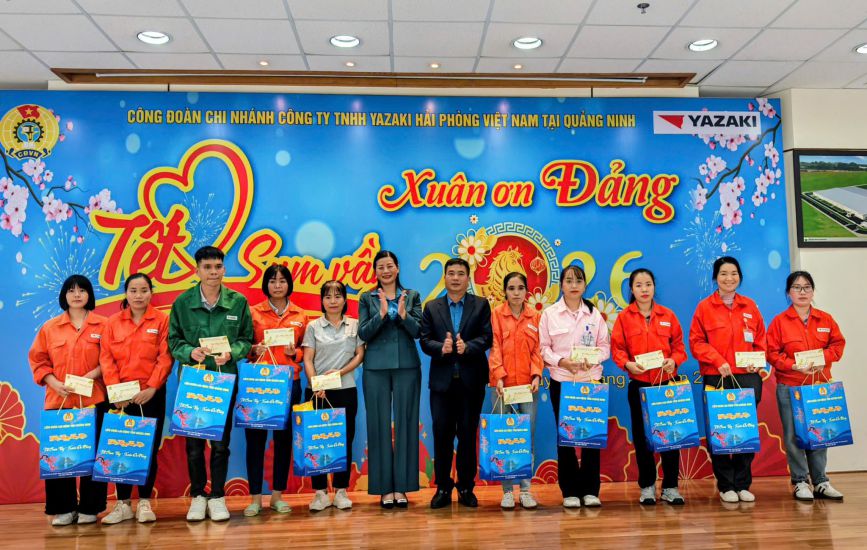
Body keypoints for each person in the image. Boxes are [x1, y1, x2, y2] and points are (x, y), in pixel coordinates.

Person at [168, 246, 253, 522]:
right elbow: (173, 341)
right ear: (197, 271)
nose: (213, 272)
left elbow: (246, 339)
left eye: (218, 266)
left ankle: (217, 496)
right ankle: (197, 496)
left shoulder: (238, 302)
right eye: (207, 267)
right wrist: (189, 352)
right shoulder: (182, 303)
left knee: (220, 445)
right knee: (194, 446)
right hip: (193, 384)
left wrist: (233, 353)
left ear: (224, 269)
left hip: (223, 383)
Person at [28, 274, 108, 526]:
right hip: (59, 401)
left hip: (93, 399)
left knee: (92, 456)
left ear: (89, 295)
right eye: (71, 290)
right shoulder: (50, 327)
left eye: (82, 290)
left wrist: (90, 376)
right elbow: (38, 360)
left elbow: (110, 358)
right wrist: (53, 382)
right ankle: (63, 508)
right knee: (60, 456)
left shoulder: (103, 325)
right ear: (64, 295)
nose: (76, 295)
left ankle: (90, 508)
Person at [689, 256, 766, 504]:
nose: (729, 278)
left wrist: (757, 360)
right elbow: (696, 342)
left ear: (740, 277)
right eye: (723, 273)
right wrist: (716, 360)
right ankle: (725, 485)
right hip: (717, 376)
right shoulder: (704, 307)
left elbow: (760, 341)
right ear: (715, 277)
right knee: (719, 431)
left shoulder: (750, 306)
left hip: (747, 377)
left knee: (744, 430)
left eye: (734, 273)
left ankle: (742, 484)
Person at [99, 273, 172, 525]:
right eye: (133, 290)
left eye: (143, 290)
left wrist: (152, 387)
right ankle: (122, 504)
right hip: (121, 397)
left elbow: (165, 357)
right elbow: (106, 358)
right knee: (121, 448)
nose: (138, 295)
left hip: (151, 394)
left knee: (147, 448)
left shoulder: (162, 320)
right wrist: (116, 392)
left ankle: (144, 502)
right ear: (126, 293)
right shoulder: (112, 322)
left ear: (151, 292)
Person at [611, 268, 688, 506]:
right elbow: (617, 349)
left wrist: (674, 361)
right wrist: (627, 364)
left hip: (666, 386)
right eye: (638, 285)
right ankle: (647, 486)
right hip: (640, 386)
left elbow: (679, 347)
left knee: (671, 437)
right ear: (631, 289)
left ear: (654, 287)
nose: (644, 289)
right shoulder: (624, 317)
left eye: (648, 284)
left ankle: (671, 487)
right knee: (643, 439)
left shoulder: (668, 315)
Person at [420, 257, 493, 509]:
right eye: (451, 273)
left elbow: (487, 337)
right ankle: (442, 487)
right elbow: (425, 340)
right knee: (442, 435)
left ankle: (465, 487)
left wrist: (468, 347)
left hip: (471, 382)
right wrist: (442, 347)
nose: (455, 278)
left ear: (468, 278)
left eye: (461, 273)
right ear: (445, 277)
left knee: (467, 435)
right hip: (441, 384)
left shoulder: (481, 304)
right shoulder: (432, 307)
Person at [767, 271, 846, 501]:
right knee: (793, 436)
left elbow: (838, 345)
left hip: (819, 386)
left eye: (807, 287)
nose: (802, 292)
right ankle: (800, 481)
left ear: (813, 291)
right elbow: (772, 353)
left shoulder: (826, 319)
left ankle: (820, 481)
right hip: (790, 386)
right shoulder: (780, 322)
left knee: (820, 434)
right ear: (788, 292)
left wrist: (823, 358)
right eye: (796, 287)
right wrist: (793, 366)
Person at [540, 264, 610, 509]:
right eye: (569, 281)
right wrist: (562, 361)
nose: (573, 285)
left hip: (590, 381)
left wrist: (594, 358)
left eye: (578, 281)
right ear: (561, 285)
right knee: (566, 438)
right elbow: (543, 348)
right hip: (562, 381)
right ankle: (569, 490)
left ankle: (590, 490)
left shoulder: (594, 314)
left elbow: (605, 347)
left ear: (585, 286)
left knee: (592, 437)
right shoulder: (550, 314)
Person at [358, 250, 422, 508]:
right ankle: (384, 488)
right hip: (375, 367)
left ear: (397, 268)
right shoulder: (367, 297)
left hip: (407, 366)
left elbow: (418, 332)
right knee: (378, 425)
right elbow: (363, 332)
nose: (385, 271)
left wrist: (404, 315)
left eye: (389, 266)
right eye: (380, 267)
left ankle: (402, 487)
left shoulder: (412, 295)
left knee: (407, 423)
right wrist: (382, 314)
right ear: (375, 271)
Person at [243, 264, 307, 516]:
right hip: (259, 384)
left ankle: (277, 496)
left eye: (282, 280)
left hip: (289, 383)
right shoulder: (253, 312)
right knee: (255, 442)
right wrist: (253, 350)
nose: (277, 285)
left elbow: (306, 352)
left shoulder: (301, 315)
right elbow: (243, 346)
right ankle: (255, 499)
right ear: (266, 284)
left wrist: (295, 353)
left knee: (283, 441)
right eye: (272, 281)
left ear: (289, 284)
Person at [302, 280, 365, 512]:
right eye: (328, 297)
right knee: (317, 441)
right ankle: (319, 493)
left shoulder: (354, 325)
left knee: (343, 440)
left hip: (346, 390)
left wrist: (340, 372)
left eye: (338, 296)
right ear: (322, 301)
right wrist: (315, 383)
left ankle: (340, 490)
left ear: (345, 299)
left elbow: (359, 355)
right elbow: (308, 358)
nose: (333, 301)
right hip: (317, 392)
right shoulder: (313, 326)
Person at [488, 271, 543, 510]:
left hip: (528, 387)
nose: (516, 293)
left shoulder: (536, 316)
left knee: (526, 437)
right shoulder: (496, 315)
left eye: (521, 288)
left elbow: (538, 350)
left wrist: (536, 374)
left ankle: (526, 491)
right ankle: (508, 492)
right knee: (505, 438)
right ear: (505, 291)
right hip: (503, 387)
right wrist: (499, 376)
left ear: (526, 291)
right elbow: (494, 347)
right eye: (511, 288)